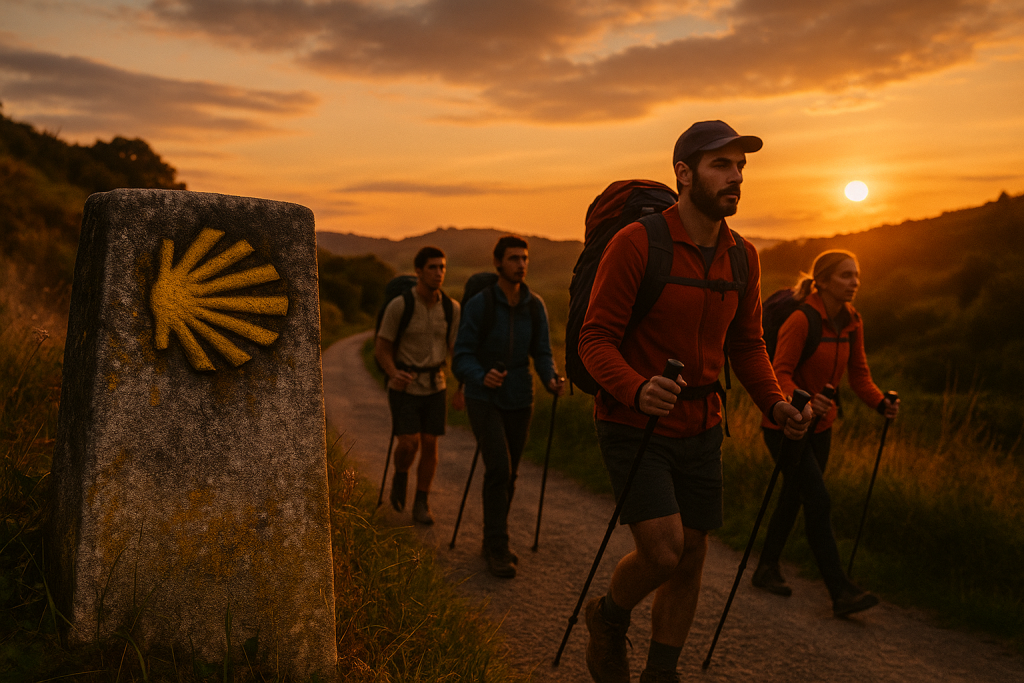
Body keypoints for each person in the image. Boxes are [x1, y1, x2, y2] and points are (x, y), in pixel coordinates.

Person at [577, 120, 812, 683]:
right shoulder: (637, 243)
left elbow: (748, 345)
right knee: (662, 552)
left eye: (739, 167)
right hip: (635, 422)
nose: (734, 178)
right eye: (720, 165)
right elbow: (594, 339)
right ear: (684, 173)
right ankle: (607, 618)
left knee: (691, 557)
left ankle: (662, 673)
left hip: (704, 424)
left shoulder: (743, 257)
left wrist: (775, 405)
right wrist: (635, 386)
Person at [752, 249, 900, 616]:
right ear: (823, 281)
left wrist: (882, 403)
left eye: (856, 275)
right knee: (817, 499)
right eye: (846, 276)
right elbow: (778, 372)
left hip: (823, 426)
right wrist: (802, 404)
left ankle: (766, 568)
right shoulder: (803, 319)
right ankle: (840, 590)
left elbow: (858, 375)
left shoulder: (852, 320)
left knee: (795, 495)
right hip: (786, 425)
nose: (854, 283)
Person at [452, 235, 565, 579]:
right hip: (483, 398)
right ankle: (496, 545)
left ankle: (493, 539)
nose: (521, 264)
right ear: (499, 263)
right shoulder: (481, 305)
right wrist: (480, 376)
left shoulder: (535, 305)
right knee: (499, 468)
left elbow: (542, 352)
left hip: (520, 396)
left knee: (510, 473)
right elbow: (461, 356)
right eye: (514, 258)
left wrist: (550, 377)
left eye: (525, 258)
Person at [375, 246, 459, 526]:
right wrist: (393, 372)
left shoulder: (451, 308)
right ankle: (400, 476)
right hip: (405, 385)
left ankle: (421, 502)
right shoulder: (400, 305)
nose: (439, 273)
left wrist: (463, 386)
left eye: (442, 267)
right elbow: (382, 346)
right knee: (408, 443)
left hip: (437, 383)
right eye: (433, 267)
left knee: (430, 444)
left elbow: (455, 350)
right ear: (419, 271)